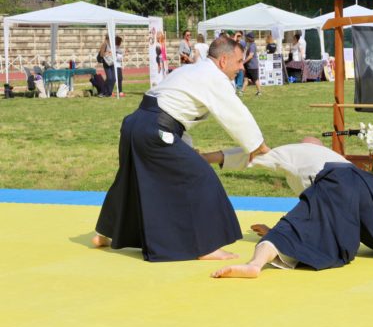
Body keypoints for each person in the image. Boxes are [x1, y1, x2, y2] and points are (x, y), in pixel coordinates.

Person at [92, 37, 270, 262]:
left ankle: (106, 234)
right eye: (238, 62)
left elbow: (173, 113)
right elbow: (235, 114)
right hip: (155, 130)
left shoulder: (191, 71)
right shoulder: (213, 77)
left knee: (130, 180)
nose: (241, 67)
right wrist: (258, 145)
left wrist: (188, 150)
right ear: (223, 60)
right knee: (200, 177)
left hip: (135, 125)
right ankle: (205, 247)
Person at [204, 138, 373, 278]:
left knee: (284, 233)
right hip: (366, 182)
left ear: (307, 143)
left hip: (337, 183)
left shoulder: (293, 151)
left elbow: (253, 154)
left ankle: (255, 265)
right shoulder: (333, 156)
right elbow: (320, 213)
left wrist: (206, 158)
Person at [241, 32, 262, 96]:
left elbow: (251, 56)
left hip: (253, 66)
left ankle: (259, 92)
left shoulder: (252, 45)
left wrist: (243, 62)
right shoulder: (249, 45)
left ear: (249, 38)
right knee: (246, 79)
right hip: (248, 65)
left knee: (255, 80)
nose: (246, 38)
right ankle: (241, 92)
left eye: (247, 37)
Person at [233, 31, 245, 95]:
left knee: (240, 76)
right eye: (237, 36)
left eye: (239, 36)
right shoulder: (233, 43)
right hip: (234, 63)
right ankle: (234, 90)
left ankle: (239, 90)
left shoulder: (242, 43)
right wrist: (235, 36)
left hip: (240, 62)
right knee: (234, 77)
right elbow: (232, 44)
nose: (238, 37)